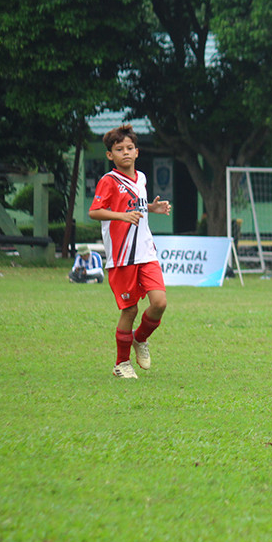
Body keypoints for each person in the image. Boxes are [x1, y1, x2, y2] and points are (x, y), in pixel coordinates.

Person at [88, 125, 171, 379]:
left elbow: (136, 205)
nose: (125, 152)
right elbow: (95, 211)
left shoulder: (142, 178)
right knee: (130, 310)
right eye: (119, 149)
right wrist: (121, 216)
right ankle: (121, 364)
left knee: (159, 303)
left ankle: (139, 339)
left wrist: (152, 208)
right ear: (110, 155)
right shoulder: (108, 181)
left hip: (146, 252)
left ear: (137, 152)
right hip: (122, 257)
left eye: (129, 148)